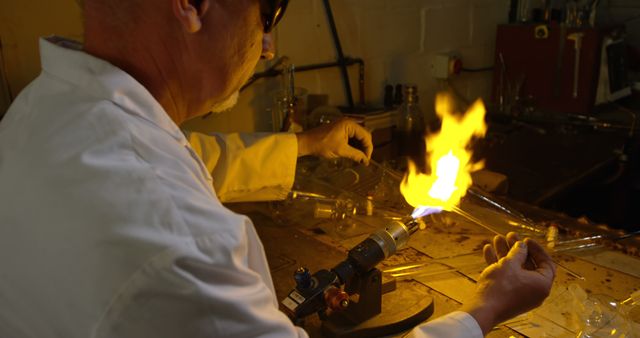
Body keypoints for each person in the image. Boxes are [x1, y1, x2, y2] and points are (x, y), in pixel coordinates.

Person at [0, 0, 555, 337]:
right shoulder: (184, 249)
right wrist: (483, 311)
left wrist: (306, 145)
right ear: (191, 4)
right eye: (268, 14)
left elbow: (187, 157)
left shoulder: (39, 111)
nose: (267, 47)